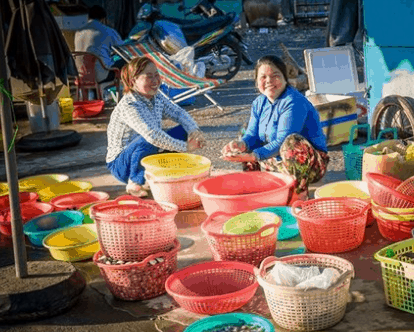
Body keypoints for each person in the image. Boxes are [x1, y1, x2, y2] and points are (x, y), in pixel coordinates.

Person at [221, 55, 329, 200]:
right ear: (256, 82)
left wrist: (254, 156)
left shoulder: (294, 101)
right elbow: (252, 136)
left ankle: (298, 195)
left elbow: (282, 141)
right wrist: (240, 145)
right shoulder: (259, 102)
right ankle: (255, 188)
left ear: (285, 78)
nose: (269, 81)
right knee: (244, 137)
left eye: (275, 76)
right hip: (277, 161)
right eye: (263, 77)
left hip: (310, 165)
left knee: (292, 142)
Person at [106, 56, 207, 197]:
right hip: (122, 165)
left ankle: (164, 173)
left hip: (147, 152)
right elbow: (152, 136)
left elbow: (178, 113)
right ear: (133, 81)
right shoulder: (129, 105)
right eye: (149, 77)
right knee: (150, 139)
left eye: (156, 75)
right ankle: (134, 182)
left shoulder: (157, 96)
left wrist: (194, 131)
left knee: (184, 130)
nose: (155, 81)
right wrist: (186, 147)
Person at [74, 5, 125, 85]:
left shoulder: (78, 32)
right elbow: (123, 48)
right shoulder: (108, 31)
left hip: (81, 74)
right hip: (101, 75)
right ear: (103, 19)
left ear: (88, 17)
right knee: (126, 61)